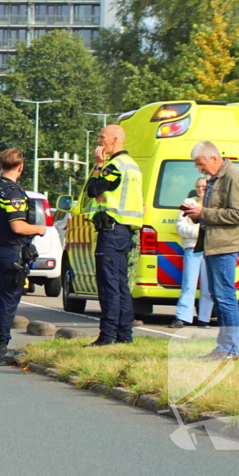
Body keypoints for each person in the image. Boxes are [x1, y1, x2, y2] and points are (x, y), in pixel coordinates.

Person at [181, 141, 239, 361]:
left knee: (224, 297)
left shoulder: (234, 177)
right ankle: (225, 347)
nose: (200, 169)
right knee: (220, 297)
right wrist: (199, 213)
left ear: (213, 157)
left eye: (201, 164)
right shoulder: (217, 177)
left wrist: (203, 213)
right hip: (215, 243)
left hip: (225, 244)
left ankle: (230, 348)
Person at [83, 125, 145, 347]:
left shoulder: (114, 166)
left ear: (115, 140)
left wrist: (98, 167)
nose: (99, 142)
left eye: (102, 138)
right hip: (125, 232)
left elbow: (92, 189)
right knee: (121, 285)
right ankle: (124, 335)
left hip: (111, 230)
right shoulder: (132, 166)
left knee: (109, 285)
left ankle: (108, 336)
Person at [0, 148, 47, 366]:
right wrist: (39, 228)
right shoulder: (12, 193)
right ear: (20, 167)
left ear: (1, 166)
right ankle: (0, 350)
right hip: (13, 251)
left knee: (5, 298)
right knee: (8, 301)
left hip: (0, 249)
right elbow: (18, 226)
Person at [169, 177, 214, 329]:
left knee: (208, 287)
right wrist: (201, 231)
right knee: (189, 284)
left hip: (210, 249)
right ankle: (182, 317)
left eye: (205, 186)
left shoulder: (215, 206)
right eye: (199, 186)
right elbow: (181, 228)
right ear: (195, 188)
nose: (202, 189)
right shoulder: (187, 205)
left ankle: (204, 319)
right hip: (193, 248)